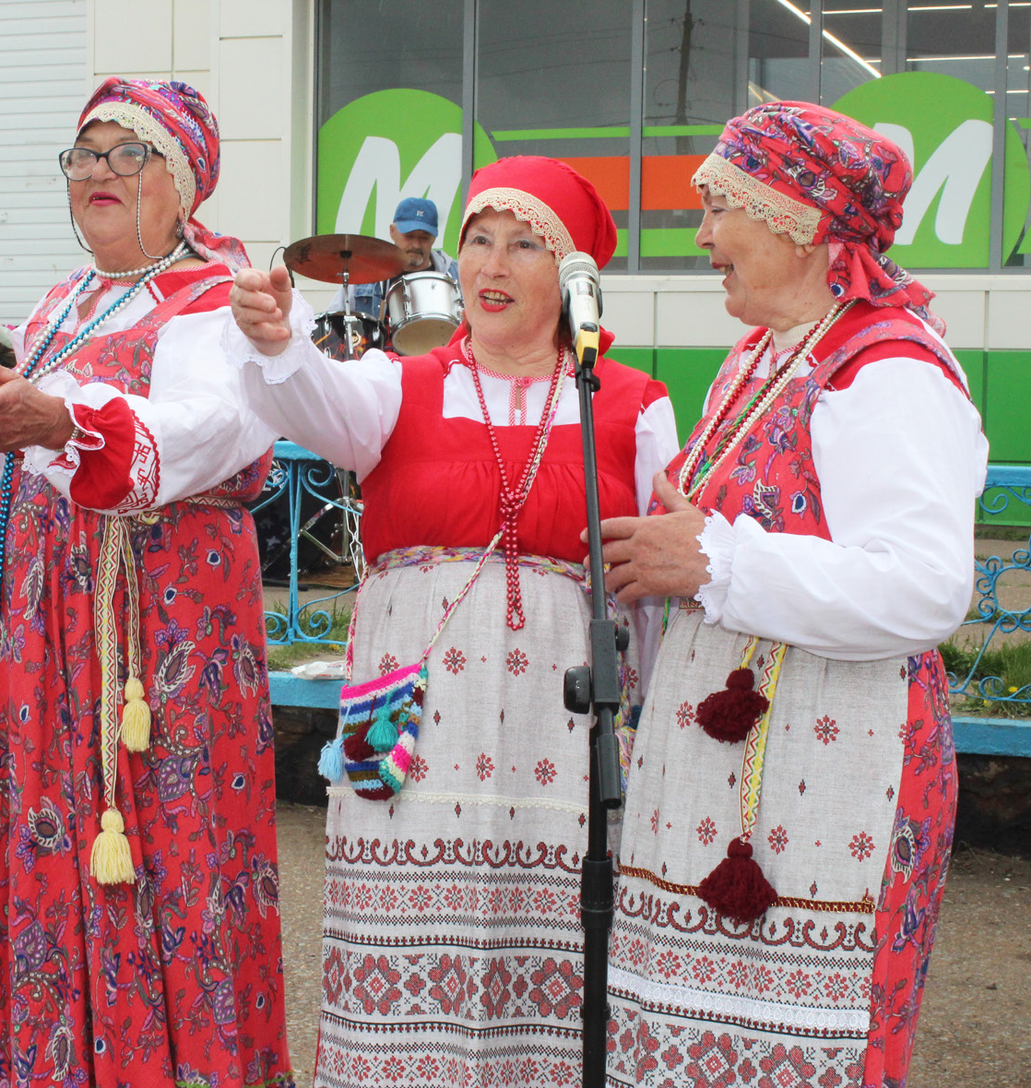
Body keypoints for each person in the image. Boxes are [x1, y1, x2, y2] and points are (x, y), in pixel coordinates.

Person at [228, 156, 679, 1088]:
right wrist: (280, 345)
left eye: (525, 244)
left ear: (574, 276)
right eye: (479, 240)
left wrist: (658, 735)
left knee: (552, 965)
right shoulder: (399, 383)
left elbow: (655, 588)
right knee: (403, 971)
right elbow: (315, 401)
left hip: (558, 736)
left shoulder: (629, 403)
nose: (492, 264)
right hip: (415, 719)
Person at [597, 102, 988, 1087]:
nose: (700, 237)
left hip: (830, 786)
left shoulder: (885, 370)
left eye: (719, 206)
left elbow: (922, 585)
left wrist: (716, 560)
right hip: (739, 784)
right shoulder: (767, 357)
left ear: (800, 218)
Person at [0, 78, 293, 1088]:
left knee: (168, 843)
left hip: (158, 627)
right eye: (83, 155)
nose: (97, 173)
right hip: (44, 626)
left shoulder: (219, 300)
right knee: (52, 835)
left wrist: (67, 423)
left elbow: (212, 429)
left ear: (182, 184)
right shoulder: (59, 302)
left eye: (126, 155)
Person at [328, 194, 460, 319]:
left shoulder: (455, 275)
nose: (416, 244)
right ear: (392, 231)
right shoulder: (365, 275)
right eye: (409, 236)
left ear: (434, 238)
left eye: (424, 238)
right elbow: (332, 323)